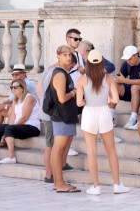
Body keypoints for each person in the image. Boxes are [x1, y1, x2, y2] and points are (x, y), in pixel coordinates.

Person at [76, 50, 130, 195]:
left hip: (89, 113)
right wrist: (106, 100)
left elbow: (79, 102)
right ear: (101, 62)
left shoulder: (82, 79)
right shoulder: (107, 78)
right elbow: (116, 100)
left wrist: (88, 100)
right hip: (104, 112)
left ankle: (96, 186)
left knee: (91, 152)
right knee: (111, 151)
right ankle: (117, 185)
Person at [77, 40, 121, 143]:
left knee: (92, 149)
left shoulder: (94, 57)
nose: (77, 49)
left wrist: (100, 74)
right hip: (93, 98)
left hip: (96, 99)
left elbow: (111, 66)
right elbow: (115, 99)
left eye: (79, 47)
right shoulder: (82, 59)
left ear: (84, 50)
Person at [50, 45, 80, 193]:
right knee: (58, 149)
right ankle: (59, 183)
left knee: (61, 150)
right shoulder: (60, 74)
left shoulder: (64, 73)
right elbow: (62, 98)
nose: (69, 57)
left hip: (66, 115)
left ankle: (58, 182)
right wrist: (74, 92)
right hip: (61, 116)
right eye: (65, 55)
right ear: (58, 56)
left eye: (70, 54)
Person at [0, 79, 40, 163]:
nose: (13, 89)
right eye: (11, 87)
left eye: (15, 87)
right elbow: (13, 116)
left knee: (9, 129)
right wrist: (7, 131)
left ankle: (11, 157)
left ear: (22, 88)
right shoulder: (15, 100)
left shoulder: (29, 98)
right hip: (20, 126)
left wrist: (9, 129)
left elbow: (24, 117)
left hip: (32, 127)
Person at [115, 45, 140, 130]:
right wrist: (118, 80)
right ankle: (111, 115)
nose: (128, 61)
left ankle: (133, 118)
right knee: (114, 85)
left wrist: (125, 81)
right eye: (127, 59)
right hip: (134, 92)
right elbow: (119, 78)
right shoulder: (127, 63)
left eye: (130, 59)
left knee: (135, 87)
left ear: (136, 55)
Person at [65, 28, 83, 156]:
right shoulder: (64, 54)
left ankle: (69, 145)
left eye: (79, 39)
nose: (78, 42)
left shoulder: (78, 55)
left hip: (79, 90)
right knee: (70, 120)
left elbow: (81, 71)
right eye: (75, 39)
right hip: (69, 91)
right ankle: (67, 147)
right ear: (68, 39)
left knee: (76, 118)